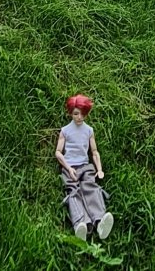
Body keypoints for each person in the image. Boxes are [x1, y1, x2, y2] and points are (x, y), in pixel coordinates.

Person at [55, 94, 114, 242]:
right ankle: (81, 223)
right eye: (76, 113)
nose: (79, 117)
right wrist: (68, 168)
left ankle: (100, 221)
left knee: (91, 188)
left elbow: (94, 152)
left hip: (85, 166)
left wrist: (99, 169)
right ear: (70, 113)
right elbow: (58, 152)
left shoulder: (88, 130)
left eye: (82, 114)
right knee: (74, 191)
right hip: (70, 167)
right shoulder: (65, 131)